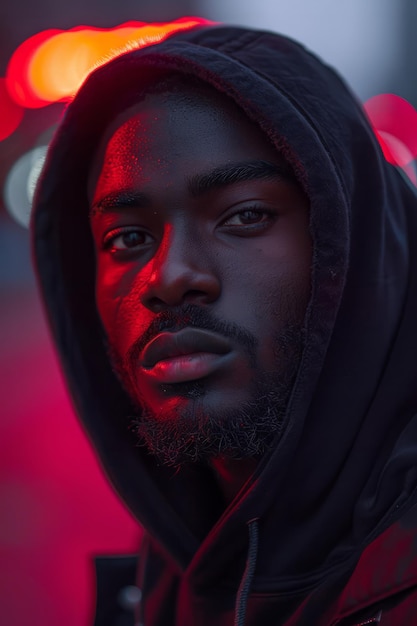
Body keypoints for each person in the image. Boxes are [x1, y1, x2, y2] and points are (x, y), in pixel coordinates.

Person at [31, 20, 417, 626]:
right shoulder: (160, 580)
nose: (170, 275)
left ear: (354, 244)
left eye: (245, 217)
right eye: (127, 237)